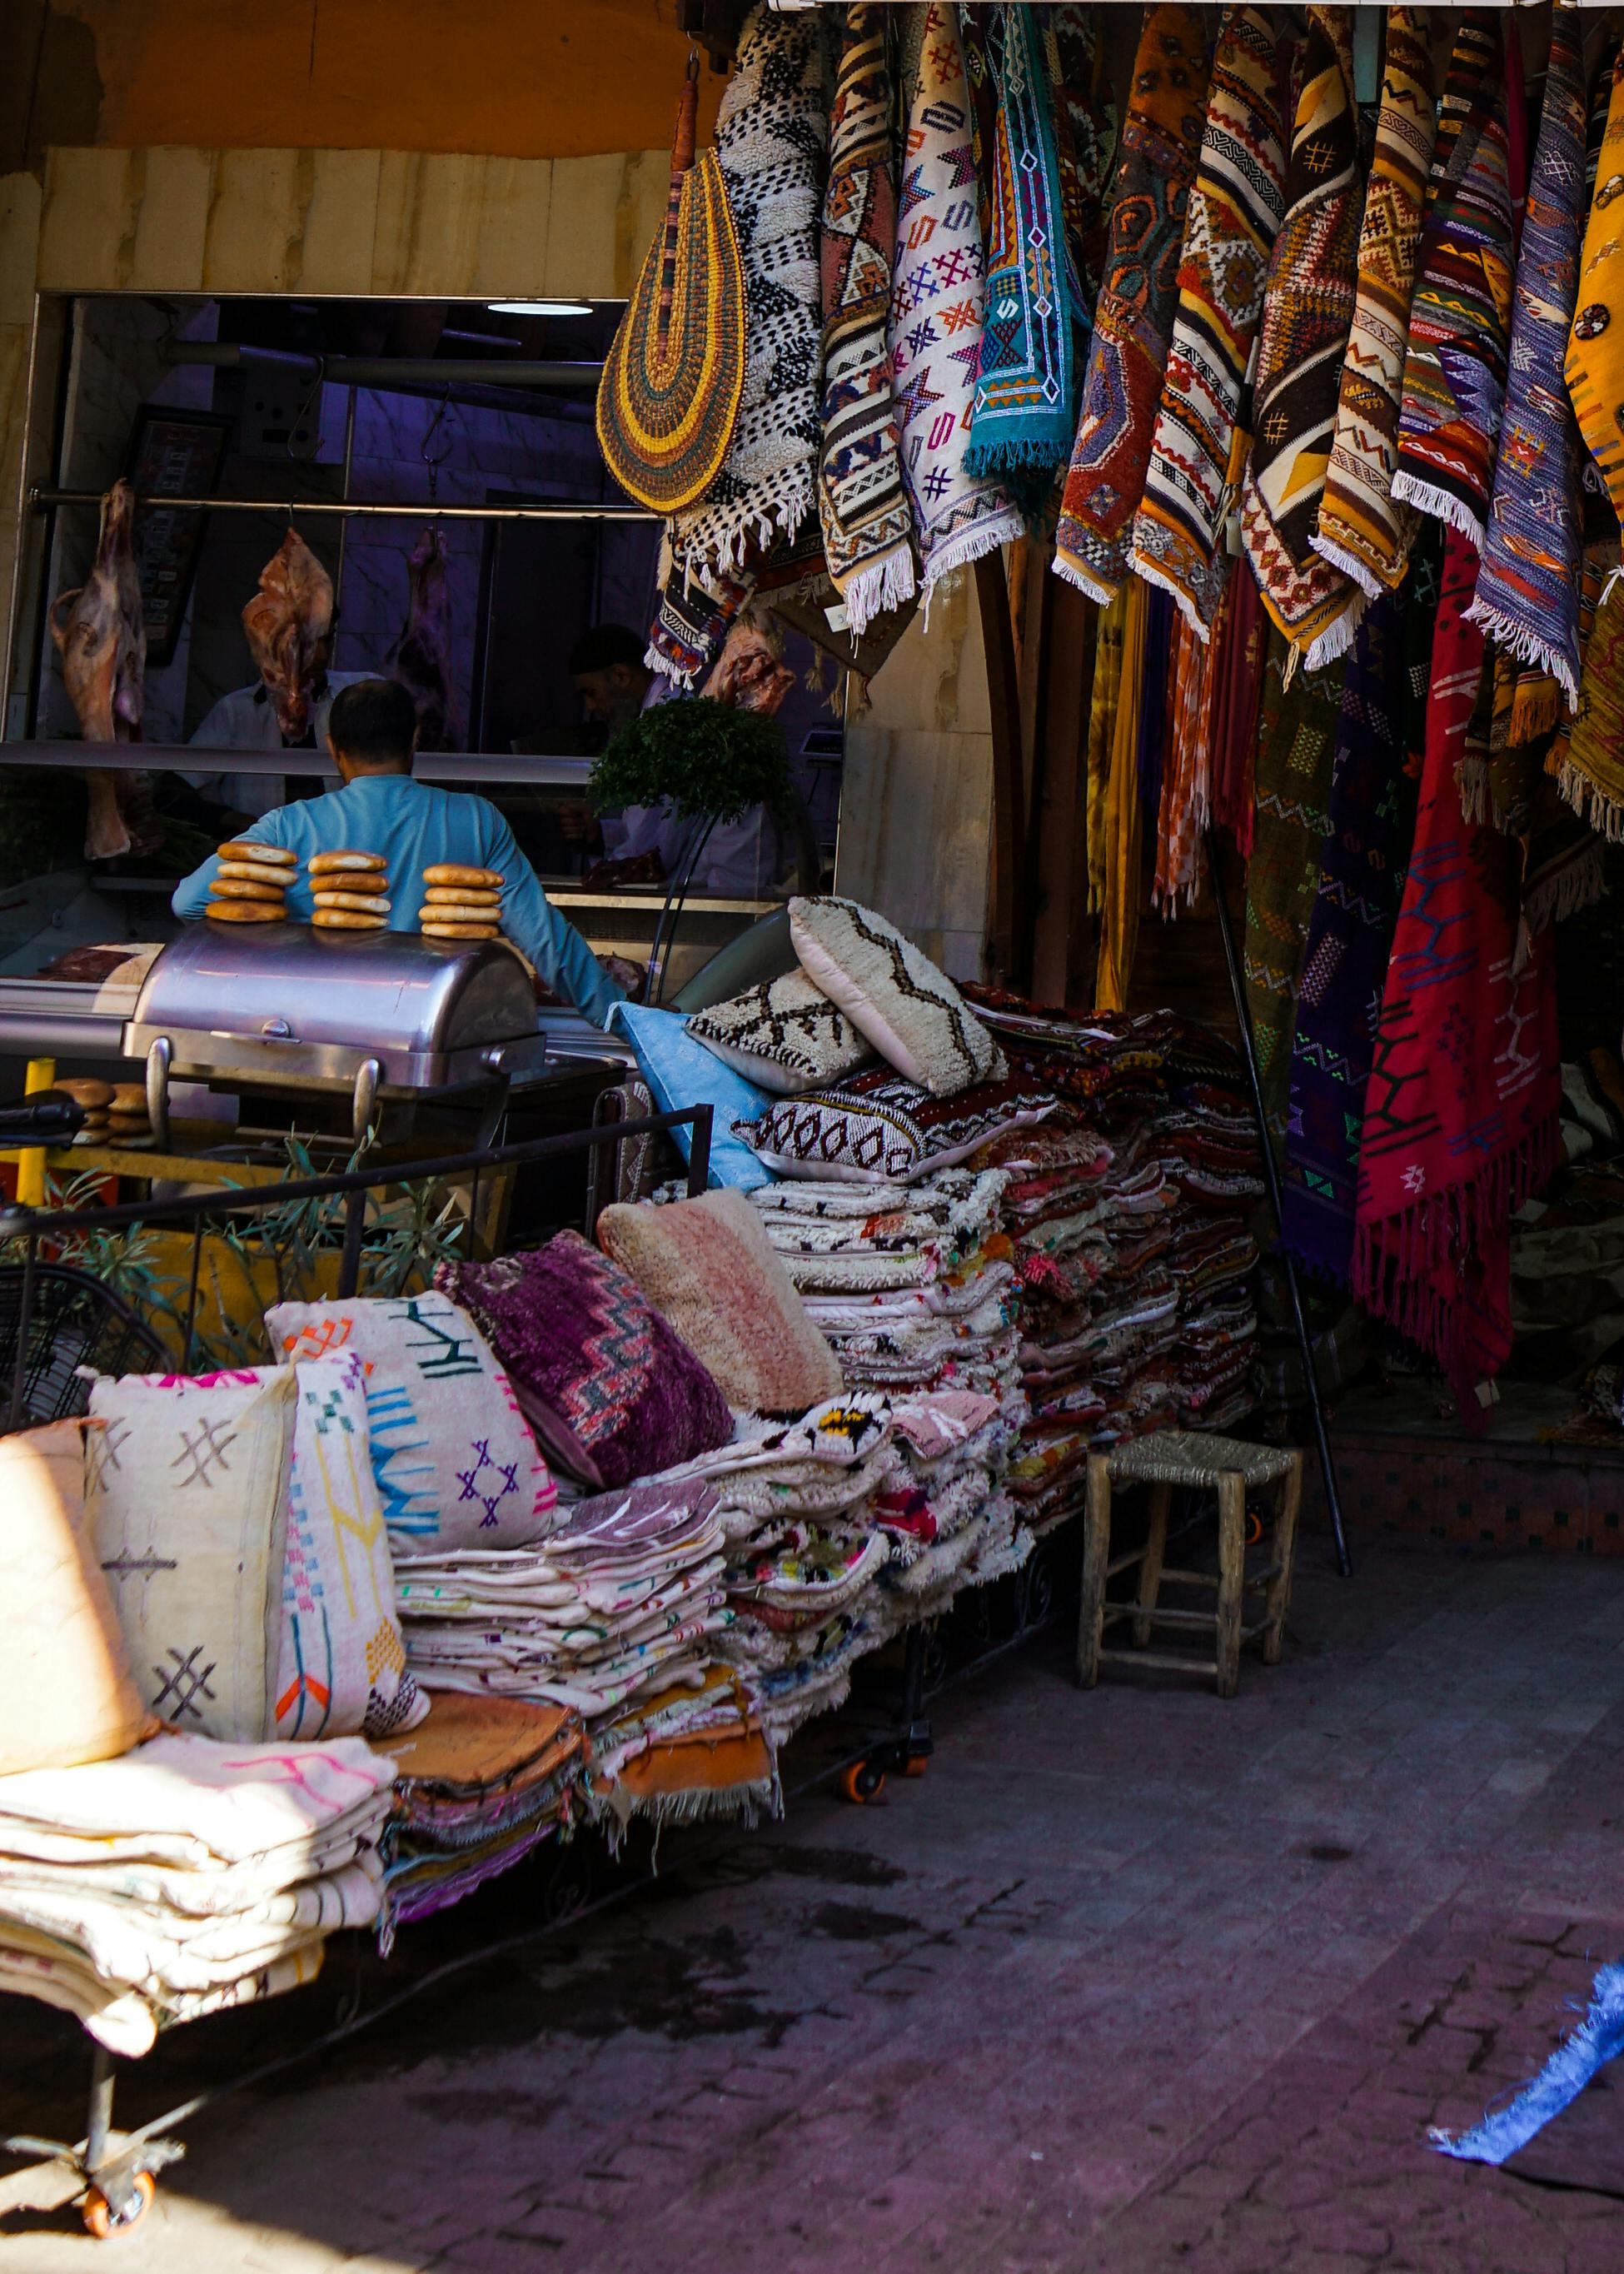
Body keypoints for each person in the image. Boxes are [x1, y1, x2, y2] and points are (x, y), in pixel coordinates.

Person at [172, 677, 625, 1029]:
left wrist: (282, 921)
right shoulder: (476, 820)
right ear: (414, 740)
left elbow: (187, 902)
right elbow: (547, 942)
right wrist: (624, 1021)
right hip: (433, 1028)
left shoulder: (289, 826)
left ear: (333, 749)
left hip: (314, 1026)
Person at [567, 623, 781, 898]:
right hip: (713, 888)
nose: (591, 708)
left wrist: (604, 873)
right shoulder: (660, 718)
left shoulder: (669, 728)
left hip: (724, 891)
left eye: (591, 693)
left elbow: (653, 846)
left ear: (621, 676)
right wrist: (600, 834)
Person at [185, 628, 368, 820]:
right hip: (264, 845)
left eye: (327, 640)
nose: (321, 655)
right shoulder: (236, 710)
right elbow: (176, 786)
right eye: (306, 643)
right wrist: (230, 819)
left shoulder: (359, 694)